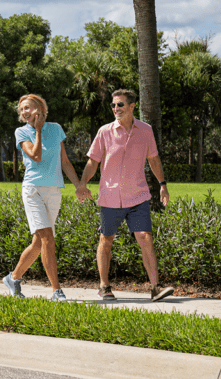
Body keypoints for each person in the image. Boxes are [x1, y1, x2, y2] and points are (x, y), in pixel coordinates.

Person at [77, 89, 174, 302]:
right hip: (111, 196)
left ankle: (155, 287)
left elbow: (154, 159)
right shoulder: (104, 131)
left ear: (132, 106)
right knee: (106, 239)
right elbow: (93, 161)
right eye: (113, 105)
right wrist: (82, 183)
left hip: (138, 196)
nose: (116, 109)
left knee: (145, 237)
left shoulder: (145, 131)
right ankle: (104, 286)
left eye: (120, 105)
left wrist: (162, 185)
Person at [3, 94, 85, 301]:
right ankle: (56, 291)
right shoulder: (21, 132)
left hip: (53, 190)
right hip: (33, 190)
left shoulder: (56, 129)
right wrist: (37, 131)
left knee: (39, 243)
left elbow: (64, 161)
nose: (24, 112)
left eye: (28, 108)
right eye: (22, 109)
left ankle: (13, 278)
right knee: (48, 239)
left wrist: (78, 185)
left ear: (41, 109)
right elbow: (36, 156)